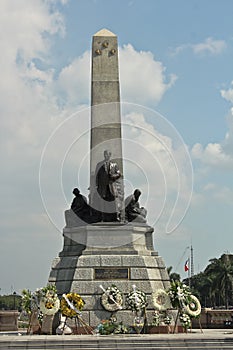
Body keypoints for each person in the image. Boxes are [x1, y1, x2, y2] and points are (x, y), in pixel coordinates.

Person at [94, 150, 124, 222]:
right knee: (102, 202)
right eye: (105, 154)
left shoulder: (114, 165)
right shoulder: (99, 164)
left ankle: (116, 216)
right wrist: (96, 185)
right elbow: (96, 176)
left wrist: (113, 176)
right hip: (103, 186)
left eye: (107, 154)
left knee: (114, 201)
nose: (105, 156)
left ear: (110, 155)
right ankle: (102, 217)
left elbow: (119, 174)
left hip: (112, 186)